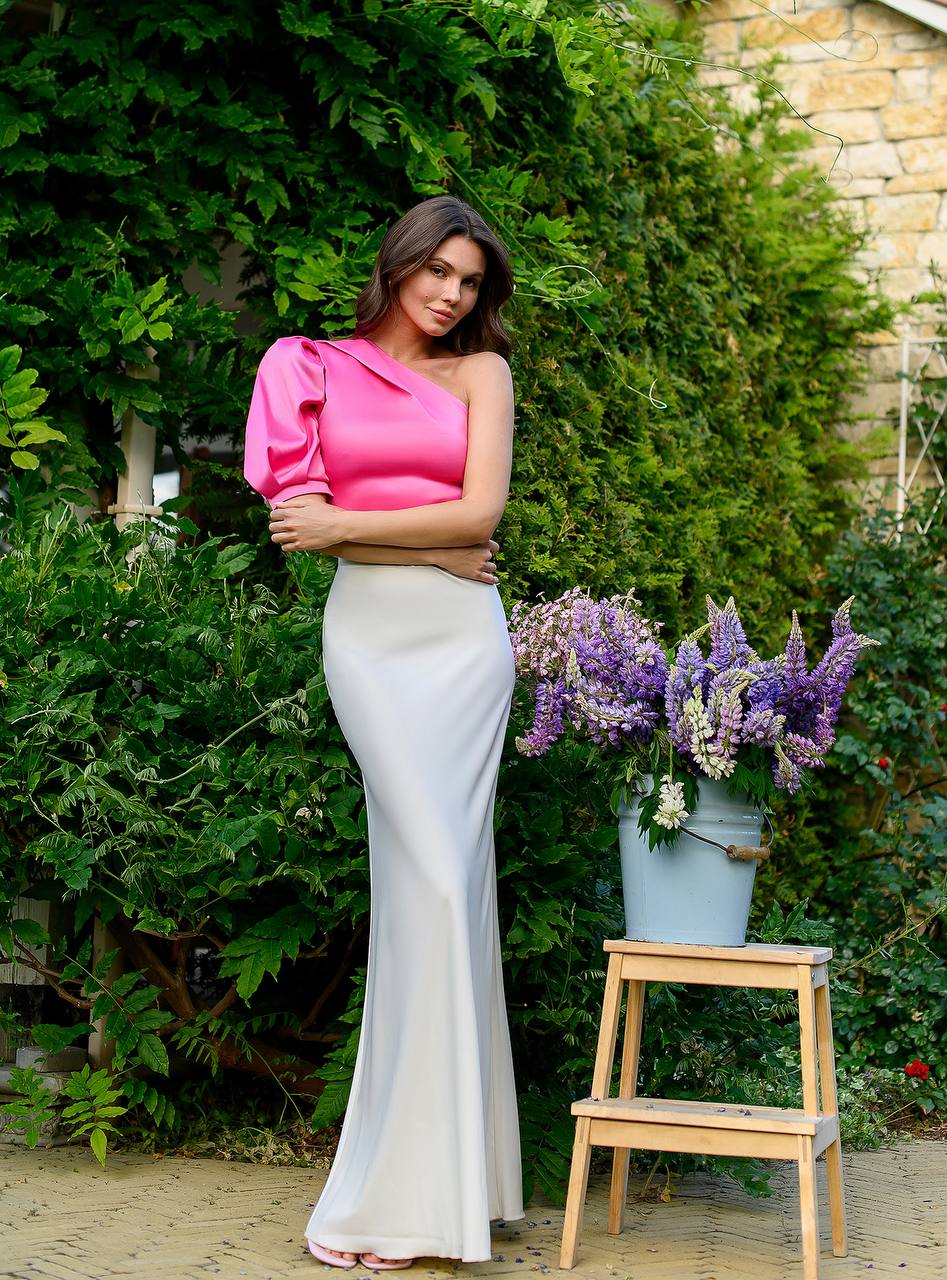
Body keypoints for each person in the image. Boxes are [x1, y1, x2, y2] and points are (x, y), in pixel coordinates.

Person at [242, 196, 524, 1272]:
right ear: (400, 264)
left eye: (470, 280)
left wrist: (365, 528)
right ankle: (407, 1195)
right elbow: (294, 522)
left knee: (450, 891)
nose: (452, 293)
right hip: (370, 642)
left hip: (464, 649)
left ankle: (454, 1189)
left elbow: (479, 517)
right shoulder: (306, 366)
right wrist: (419, 543)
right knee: (430, 887)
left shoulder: (482, 375)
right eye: (438, 271)